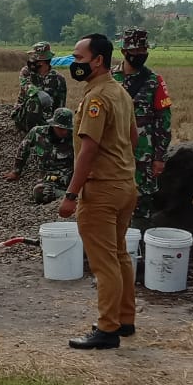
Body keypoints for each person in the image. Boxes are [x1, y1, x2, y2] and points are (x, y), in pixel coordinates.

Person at [59, 33, 138, 350]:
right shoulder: (120, 92)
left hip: (102, 192)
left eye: (78, 58)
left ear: (97, 60)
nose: (74, 64)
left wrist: (71, 194)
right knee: (119, 255)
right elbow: (132, 138)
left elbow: (87, 151)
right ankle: (124, 320)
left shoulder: (96, 99)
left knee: (104, 262)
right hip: (125, 186)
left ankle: (107, 330)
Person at [114, 28, 172, 230]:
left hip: (144, 155)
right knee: (113, 200)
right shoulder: (109, 79)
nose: (140, 54)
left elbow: (163, 121)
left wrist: (159, 157)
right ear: (124, 51)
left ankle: (139, 252)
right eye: (135, 50)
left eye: (143, 50)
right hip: (114, 153)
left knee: (142, 204)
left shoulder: (154, 81)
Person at [3, 107, 74, 204]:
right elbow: (23, 149)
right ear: (53, 125)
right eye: (60, 128)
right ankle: (66, 197)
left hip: (69, 179)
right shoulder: (38, 133)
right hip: (47, 179)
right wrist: (16, 171)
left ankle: (70, 196)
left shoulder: (74, 138)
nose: (64, 132)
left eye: (66, 129)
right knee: (39, 192)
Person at [11, 41, 67, 133]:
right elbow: (26, 86)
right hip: (24, 115)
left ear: (41, 62)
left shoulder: (58, 79)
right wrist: (39, 93)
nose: (31, 62)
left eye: (34, 59)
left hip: (47, 119)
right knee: (35, 101)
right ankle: (30, 134)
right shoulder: (27, 72)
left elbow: (60, 104)